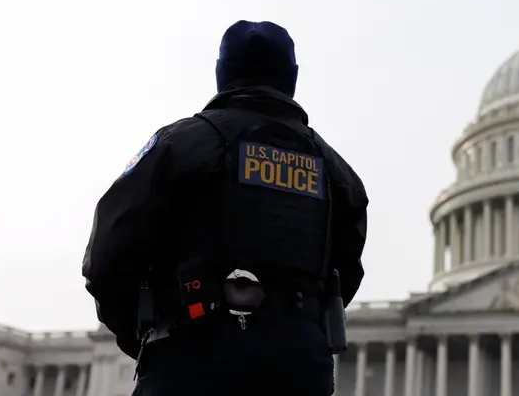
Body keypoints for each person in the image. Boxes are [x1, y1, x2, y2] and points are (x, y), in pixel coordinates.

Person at [81, 20, 368, 396]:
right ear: (292, 77)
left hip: (190, 355)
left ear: (222, 72)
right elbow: (345, 276)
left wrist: (145, 332)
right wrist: (293, 325)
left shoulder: (178, 145)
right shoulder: (336, 172)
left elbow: (107, 257)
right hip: (297, 368)